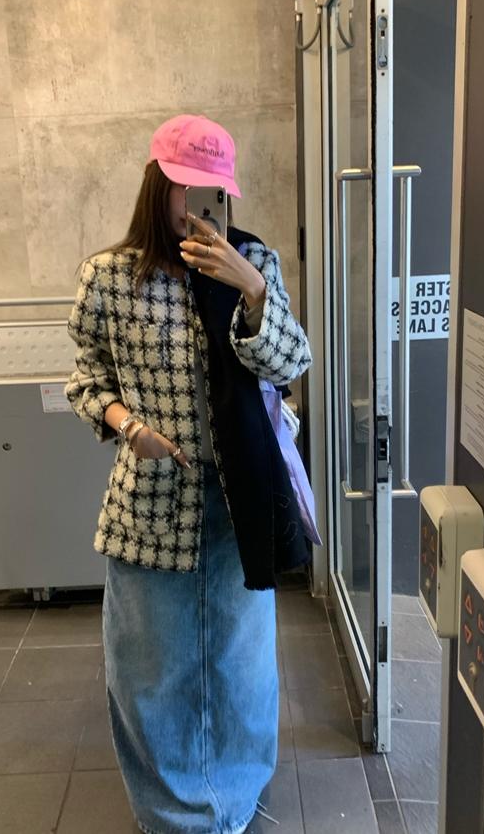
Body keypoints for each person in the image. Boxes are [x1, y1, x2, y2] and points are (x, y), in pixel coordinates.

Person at [65, 114, 313, 834]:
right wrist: (128, 426)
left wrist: (252, 290)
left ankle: (231, 801)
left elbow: (291, 364)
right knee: (150, 671)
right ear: (158, 185)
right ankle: (171, 812)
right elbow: (87, 381)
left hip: (239, 502)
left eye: (216, 193)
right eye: (188, 189)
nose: (203, 207)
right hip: (151, 501)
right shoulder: (109, 278)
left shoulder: (252, 261)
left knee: (241, 667)